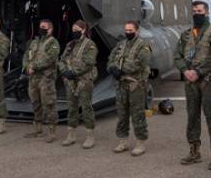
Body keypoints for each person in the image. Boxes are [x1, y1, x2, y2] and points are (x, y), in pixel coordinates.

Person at [173, 0, 211, 170]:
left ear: (207, 13)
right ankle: (194, 151)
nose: (197, 13)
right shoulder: (186, 34)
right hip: (190, 82)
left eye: (200, 11)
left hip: (208, 81)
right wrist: (185, 70)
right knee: (192, 116)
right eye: (194, 11)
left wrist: (198, 72)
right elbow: (177, 55)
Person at [108, 20, 152, 156]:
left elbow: (140, 63)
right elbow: (111, 59)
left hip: (135, 85)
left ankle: (140, 142)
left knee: (137, 114)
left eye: (130, 30)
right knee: (122, 114)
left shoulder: (143, 46)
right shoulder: (120, 45)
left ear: (137, 31)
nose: (127, 33)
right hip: (121, 84)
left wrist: (121, 70)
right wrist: (112, 69)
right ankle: (123, 141)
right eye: (126, 30)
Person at [58, 20, 99, 149]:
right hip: (70, 82)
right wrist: (64, 71)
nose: (74, 32)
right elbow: (62, 60)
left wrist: (74, 72)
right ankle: (71, 135)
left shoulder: (90, 45)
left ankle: (90, 136)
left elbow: (89, 62)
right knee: (71, 108)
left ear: (83, 30)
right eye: (73, 30)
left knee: (86, 108)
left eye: (77, 30)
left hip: (84, 81)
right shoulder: (70, 44)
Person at [22, 19, 61, 142]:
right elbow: (26, 56)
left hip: (46, 78)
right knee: (35, 103)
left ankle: (52, 132)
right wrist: (27, 67)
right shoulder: (34, 42)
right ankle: (37, 130)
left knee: (49, 104)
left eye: (43, 27)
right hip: (33, 78)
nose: (41, 29)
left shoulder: (53, 43)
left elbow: (50, 59)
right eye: (40, 27)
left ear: (50, 29)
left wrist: (34, 66)